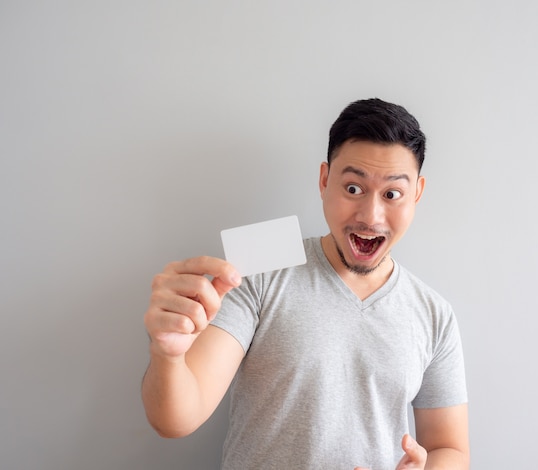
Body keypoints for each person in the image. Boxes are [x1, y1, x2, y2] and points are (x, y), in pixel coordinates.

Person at [142, 98, 470, 469]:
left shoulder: (434, 314)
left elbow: (450, 448)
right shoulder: (259, 272)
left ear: (417, 194)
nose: (370, 216)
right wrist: (166, 355)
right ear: (324, 181)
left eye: (392, 194)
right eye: (353, 188)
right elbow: (175, 419)